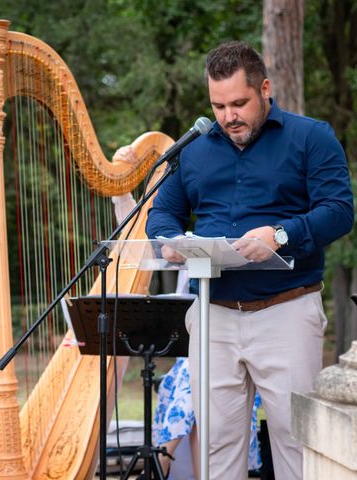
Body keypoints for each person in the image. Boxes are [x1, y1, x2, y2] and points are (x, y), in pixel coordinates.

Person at [145, 41, 353, 479]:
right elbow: (163, 211)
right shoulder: (196, 148)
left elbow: (339, 211)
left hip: (286, 310)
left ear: (265, 89)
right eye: (218, 105)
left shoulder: (311, 137)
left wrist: (280, 235)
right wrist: (167, 240)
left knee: (294, 440)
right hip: (212, 316)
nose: (228, 116)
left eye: (239, 103)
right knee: (217, 443)